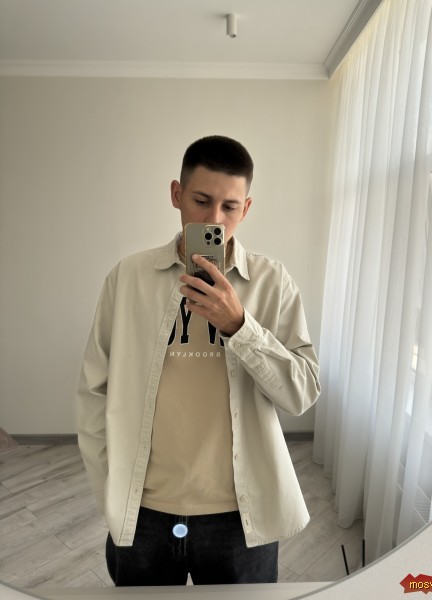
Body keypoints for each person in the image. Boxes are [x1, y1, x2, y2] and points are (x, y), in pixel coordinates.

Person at [76, 135, 320, 586]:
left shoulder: (272, 282)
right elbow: (93, 391)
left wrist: (241, 326)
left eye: (230, 207)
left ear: (246, 208)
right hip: (144, 511)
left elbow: (301, 393)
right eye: (201, 201)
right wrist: (110, 485)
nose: (214, 219)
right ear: (177, 194)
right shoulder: (127, 278)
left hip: (241, 516)